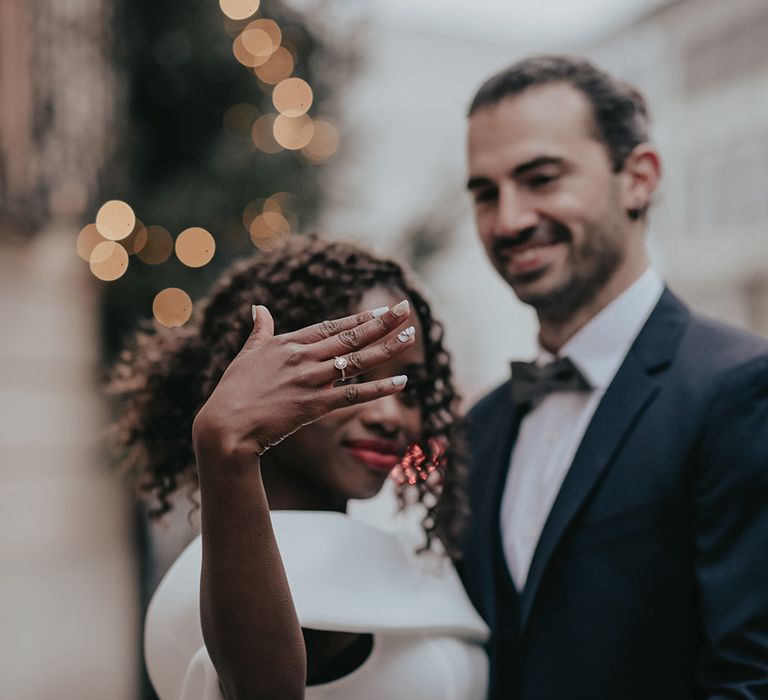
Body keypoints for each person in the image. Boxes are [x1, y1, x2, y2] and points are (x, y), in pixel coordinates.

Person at [460, 55, 768, 699]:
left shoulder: (740, 389)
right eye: (486, 193)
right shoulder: (479, 428)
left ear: (638, 178)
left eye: (540, 178)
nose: (508, 220)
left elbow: (750, 678)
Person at [109, 235, 488, 700]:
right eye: (344, 376)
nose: (388, 415)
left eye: (408, 388)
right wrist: (226, 448)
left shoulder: (395, 546)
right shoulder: (233, 578)